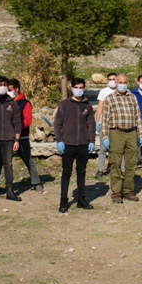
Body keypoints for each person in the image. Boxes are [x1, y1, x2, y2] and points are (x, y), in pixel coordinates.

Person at [100, 74, 142, 203]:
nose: (123, 84)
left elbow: (138, 117)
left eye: (125, 82)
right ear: (116, 83)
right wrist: (104, 135)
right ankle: (116, 192)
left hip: (131, 133)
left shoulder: (133, 97)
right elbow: (105, 119)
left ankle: (128, 191)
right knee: (115, 163)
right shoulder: (110, 98)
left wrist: (140, 134)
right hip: (116, 133)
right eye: (120, 82)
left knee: (131, 163)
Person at [54, 77, 96, 212]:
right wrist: (59, 140)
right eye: (76, 87)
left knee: (81, 172)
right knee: (66, 172)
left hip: (83, 144)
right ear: (72, 89)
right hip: (68, 144)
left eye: (81, 87)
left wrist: (92, 141)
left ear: (84, 88)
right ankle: (63, 200)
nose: (79, 90)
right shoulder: (64, 104)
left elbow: (91, 124)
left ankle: (81, 199)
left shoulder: (87, 106)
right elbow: (57, 123)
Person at [8, 79, 43, 193]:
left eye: (10, 90)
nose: (8, 92)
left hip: (22, 137)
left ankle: (36, 182)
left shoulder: (25, 103)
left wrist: (16, 129)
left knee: (28, 160)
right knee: (5, 162)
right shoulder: (5, 102)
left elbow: (27, 120)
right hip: (7, 138)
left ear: (16, 89)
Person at [94, 72, 117, 177]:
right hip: (105, 123)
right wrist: (97, 121)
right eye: (110, 79)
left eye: (114, 79)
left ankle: (120, 169)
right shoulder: (104, 92)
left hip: (117, 123)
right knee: (103, 148)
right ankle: (100, 169)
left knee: (118, 148)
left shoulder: (121, 91)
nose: (112, 81)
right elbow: (100, 107)